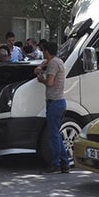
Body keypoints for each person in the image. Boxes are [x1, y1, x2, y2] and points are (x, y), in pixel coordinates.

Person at [34, 41, 69, 174]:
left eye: (44, 51)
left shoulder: (53, 64)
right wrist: (41, 65)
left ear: (47, 51)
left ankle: (55, 164)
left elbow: (50, 82)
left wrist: (41, 79)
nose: (43, 53)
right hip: (60, 102)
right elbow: (44, 63)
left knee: (53, 135)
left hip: (54, 102)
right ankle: (64, 163)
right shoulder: (58, 61)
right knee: (56, 134)